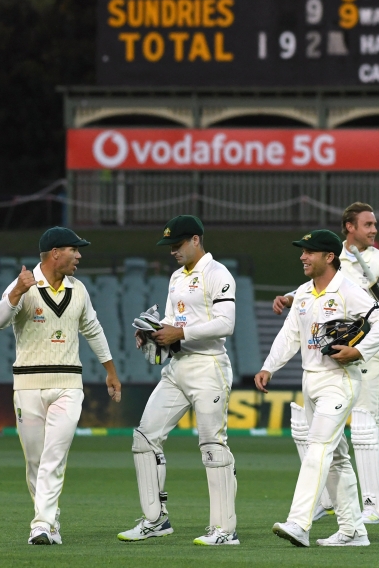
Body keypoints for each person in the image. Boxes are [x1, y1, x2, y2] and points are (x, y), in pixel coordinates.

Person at [274, 202, 379, 525]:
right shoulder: (332, 256)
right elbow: (317, 291)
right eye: (368, 225)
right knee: (314, 430)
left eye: (374, 224)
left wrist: (366, 310)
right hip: (328, 357)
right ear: (349, 227)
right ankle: (328, 500)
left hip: (368, 353)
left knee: (365, 426)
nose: (374, 230)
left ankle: (374, 505)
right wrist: (290, 298)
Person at [257, 230, 379, 548]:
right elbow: (290, 334)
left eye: (309, 252)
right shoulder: (304, 293)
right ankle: (353, 531)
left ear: (329, 257)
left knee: (318, 445)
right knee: (337, 458)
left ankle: (299, 522)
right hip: (311, 380)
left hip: (340, 380)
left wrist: (359, 351)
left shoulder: (349, 290)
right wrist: (269, 367)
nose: (303, 257)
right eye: (302, 252)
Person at [0, 226, 121, 545]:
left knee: (54, 454)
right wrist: (16, 293)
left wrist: (110, 371)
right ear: (55, 253)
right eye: (74, 250)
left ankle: (41, 523)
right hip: (27, 386)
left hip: (68, 384)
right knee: (35, 460)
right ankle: (51, 520)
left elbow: (93, 328)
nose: (79, 256)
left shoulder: (79, 290)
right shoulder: (24, 284)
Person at [117, 215, 240, 546]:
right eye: (170, 245)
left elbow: (226, 324)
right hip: (178, 367)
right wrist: (154, 334)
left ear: (196, 240)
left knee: (212, 445)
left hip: (209, 367)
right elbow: (172, 320)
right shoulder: (175, 277)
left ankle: (225, 530)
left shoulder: (217, 274)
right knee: (144, 437)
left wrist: (180, 332)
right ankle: (156, 520)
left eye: (178, 244)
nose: (173, 250)